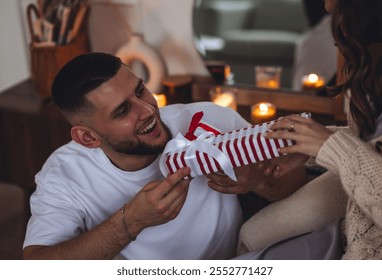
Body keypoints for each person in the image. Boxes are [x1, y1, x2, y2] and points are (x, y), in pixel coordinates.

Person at [22, 52, 306, 260]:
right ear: (88, 137)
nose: (147, 110)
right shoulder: (65, 174)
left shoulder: (209, 118)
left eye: (140, 90)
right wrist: (132, 220)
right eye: (123, 111)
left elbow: (297, 186)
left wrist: (256, 181)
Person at [235, 0, 382, 259]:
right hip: (353, 226)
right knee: (251, 241)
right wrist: (310, 144)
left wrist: (329, 147)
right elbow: (379, 143)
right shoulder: (373, 65)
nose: (327, 7)